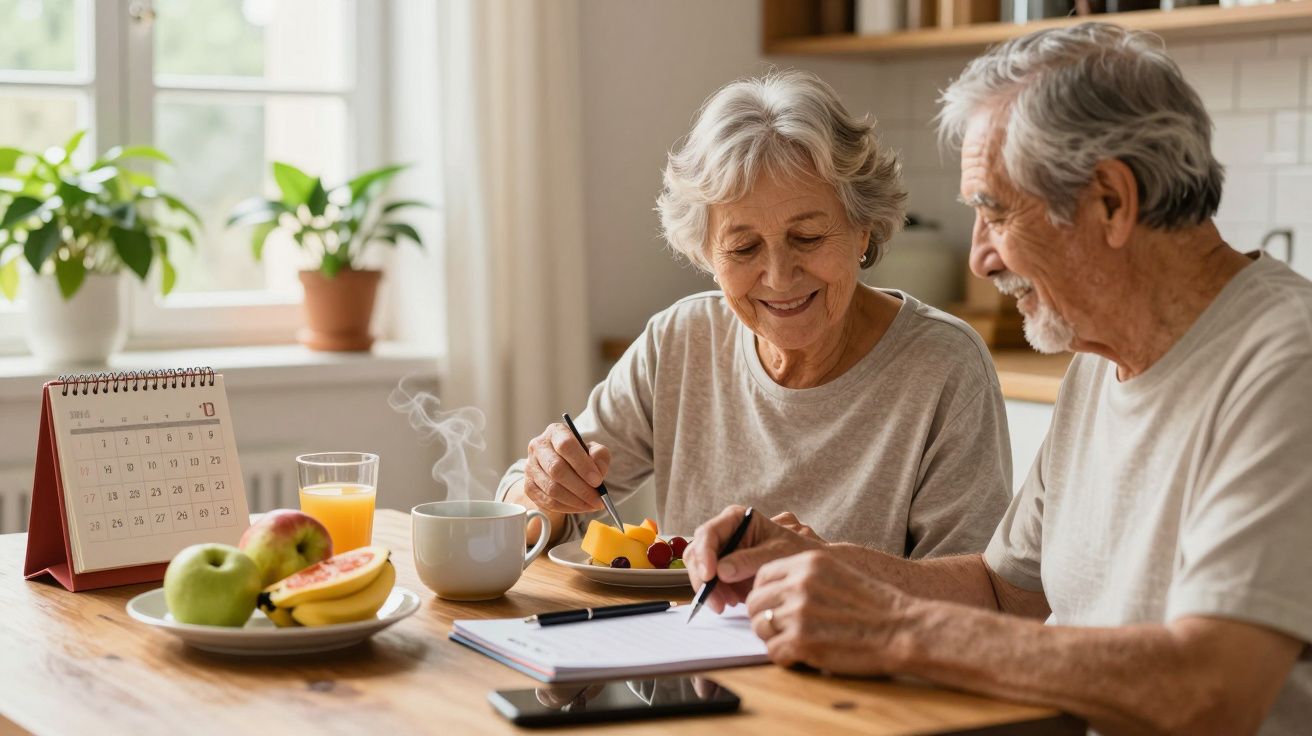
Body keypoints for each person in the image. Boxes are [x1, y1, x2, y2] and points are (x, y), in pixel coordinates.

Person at [686, 23, 1312, 735]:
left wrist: (893, 627)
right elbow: (1002, 590)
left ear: (1110, 200)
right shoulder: (1098, 361)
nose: (979, 259)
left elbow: (1213, 687)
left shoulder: (1286, 363)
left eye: (995, 212)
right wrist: (821, 565)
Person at [496, 70, 1011, 559]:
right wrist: (544, 494)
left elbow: (974, 597)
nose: (780, 277)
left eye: (807, 238)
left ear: (863, 230)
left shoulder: (943, 366)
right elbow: (525, 511)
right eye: (743, 248)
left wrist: (834, 574)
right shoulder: (680, 340)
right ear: (706, 255)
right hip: (685, 649)